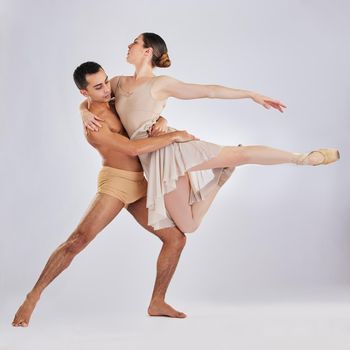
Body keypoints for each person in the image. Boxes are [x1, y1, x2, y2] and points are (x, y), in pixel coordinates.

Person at [81, 32, 340, 233]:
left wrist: (250, 95)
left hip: (170, 147)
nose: (129, 46)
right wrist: (83, 111)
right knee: (189, 226)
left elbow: (209, 90)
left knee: (241, 155)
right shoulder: (116, 82)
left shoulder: (162, 83)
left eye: (134, 42)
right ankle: (219, 178)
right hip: (154, 161)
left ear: (147, 51)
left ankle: (304, 157)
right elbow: (93, 97)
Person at [12, 61, 197, 327]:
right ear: (84, 92)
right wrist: (174, 135)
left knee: (176, 239)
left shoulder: (113, 97)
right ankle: (33, 296)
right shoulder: (95, 125)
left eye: (106, 81)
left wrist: (164, 121)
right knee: (78, 240)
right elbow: (133, 150)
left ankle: (157, 302)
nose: (106, 89)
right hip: (117, 182)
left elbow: (149, 113)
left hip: (140, 183)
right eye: (97, 87)